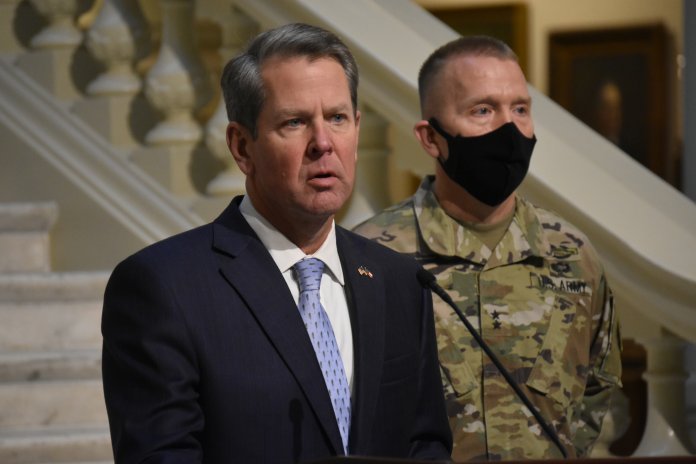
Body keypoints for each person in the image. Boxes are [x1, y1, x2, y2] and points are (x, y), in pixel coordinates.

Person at [101, 23, 451, 464]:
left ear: (358, 129)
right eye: (295, 122)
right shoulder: (163, 288)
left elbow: (425, 447)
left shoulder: (399, 280)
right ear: (242, 146)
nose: (323, 144)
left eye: (337, 118)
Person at [353, 35, 622, 461]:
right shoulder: (371, 257)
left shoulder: (573, 254)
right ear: (431, 138)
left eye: (520, 109)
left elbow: (598, 388)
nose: (509, 129)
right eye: (482, 110)